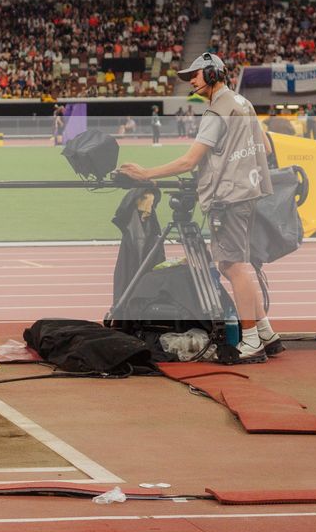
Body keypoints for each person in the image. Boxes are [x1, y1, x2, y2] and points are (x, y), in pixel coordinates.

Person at [120, 51, 283, 363]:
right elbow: (264, 144)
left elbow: (188, 160)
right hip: (248, 192)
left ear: (211, 74)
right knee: (237, 263)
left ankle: (250, 340)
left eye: (194, 75)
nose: (191, 81)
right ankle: (266, 332)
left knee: (232, 265)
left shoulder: (216, 111)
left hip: (229, 197)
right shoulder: (242, 102)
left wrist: (146, 173)